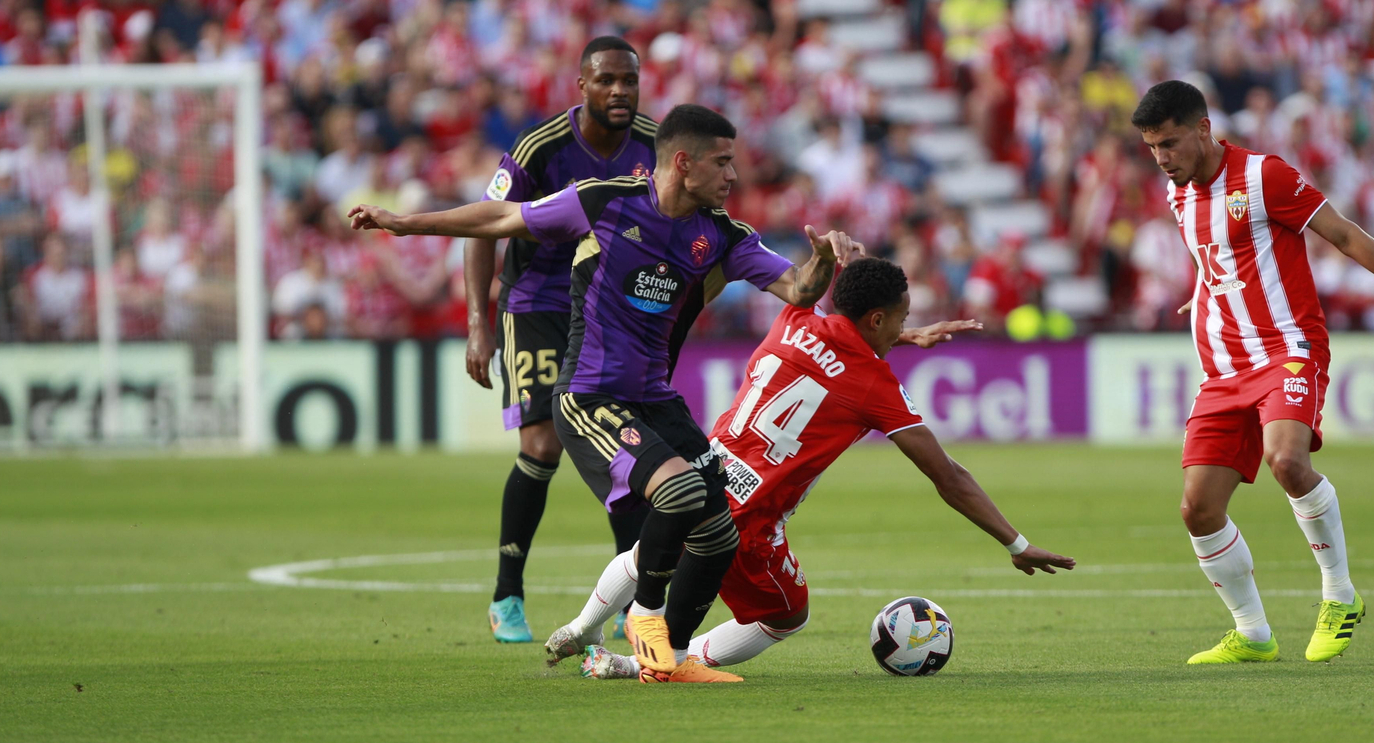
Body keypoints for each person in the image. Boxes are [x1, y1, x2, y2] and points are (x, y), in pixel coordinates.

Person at [350, 104, 859, 684]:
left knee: (719, 532)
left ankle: (668, 660)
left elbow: (796, 287)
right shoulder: (604, 201)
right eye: (723, 163)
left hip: (655, 400)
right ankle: (645, 615)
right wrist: (405, 222)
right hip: (589, 395)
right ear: (683, 163)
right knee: (681, 492)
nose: (733, 176)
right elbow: (503, 219)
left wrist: (821, 265)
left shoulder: (720, 233)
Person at [550, 257, 1076, 681]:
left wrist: (899, 335)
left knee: (651, 550)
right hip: (751, 517)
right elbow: (948, 476)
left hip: (703, 470)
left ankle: (580, 628)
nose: (903, 325)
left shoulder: (794, 318)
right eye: (900, 317)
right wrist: (1015, 543)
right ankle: (647, 665)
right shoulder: (875, 385)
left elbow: (840, 325)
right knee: (784, 615)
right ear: (875, 319)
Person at [1130, 80, 1374, 665]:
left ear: (1203, 129)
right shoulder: (1179, 193)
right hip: (1222, 368)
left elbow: (1340, 232)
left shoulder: (1264, 176)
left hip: (1287, 348)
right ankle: (1253, 633)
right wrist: (1204, 289)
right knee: (1198, 508)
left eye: (1169, 144)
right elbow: (1213, 253)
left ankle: (1340, 594)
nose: (1162, 159)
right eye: (1152, 149)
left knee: (1287, 460)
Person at [461, 35, 659, 645]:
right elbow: (482, 226)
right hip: (538, 303)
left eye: (629, 80)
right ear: (583, 86)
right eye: (606, 81)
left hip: (612, 306)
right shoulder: (538, 148)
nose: (620, 91)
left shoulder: (655, 143)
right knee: (543, 444)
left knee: (627, 449)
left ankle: (634, 603)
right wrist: (477, 321)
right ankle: (507, 595)